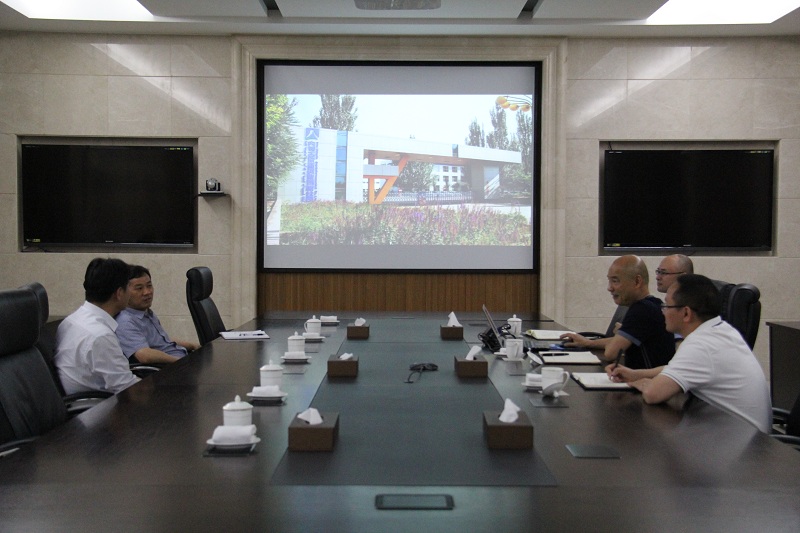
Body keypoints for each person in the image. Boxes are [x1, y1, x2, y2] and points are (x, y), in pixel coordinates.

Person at [608, 274, 771, 433]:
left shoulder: (701, 344)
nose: (663, 312)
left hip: (741, 443)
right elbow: (676, 368)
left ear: (686, 313)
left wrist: (644, 383)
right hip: (745, 435)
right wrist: (635, 374)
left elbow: (653, 394)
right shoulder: (721, 330)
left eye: (666, 306)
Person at [560, 255, 675, 369]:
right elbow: (622, 342)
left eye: (615, 281)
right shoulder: (653, 304)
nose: (609, 288)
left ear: (637, 281)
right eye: (609, 281)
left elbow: (610, 353)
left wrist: (619, 333)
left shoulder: (642, 310)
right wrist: (588, 343)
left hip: (647, 380)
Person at [54, 258, 140, 395]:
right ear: (119, 293)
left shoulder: (71, 320)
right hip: (98, 405)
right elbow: (128, 388)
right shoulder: (100, 336)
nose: (130, 293)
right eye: (128, 287)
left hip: (85, 398)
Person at [116, 265, 200, 364]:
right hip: (168, 369)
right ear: (123, 292)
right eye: (139, 288)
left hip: (180, 360)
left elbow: (163, 341)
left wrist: (193, 345)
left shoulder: (145, 312)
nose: (147, 292)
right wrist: (181, 362)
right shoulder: (125, 321)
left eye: (149, 286)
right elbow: (144, 355)